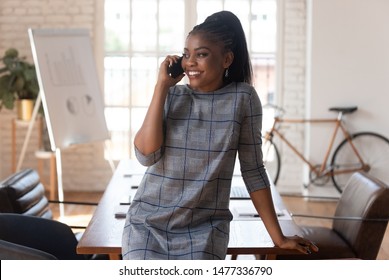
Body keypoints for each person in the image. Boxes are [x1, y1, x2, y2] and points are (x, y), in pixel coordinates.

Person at [122, 10, 318, 260]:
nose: (190, 62)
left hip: (205, 229)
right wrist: (161, 87)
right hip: (147, 223)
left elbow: (253, 171)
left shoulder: (243, 99)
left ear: (227, 59)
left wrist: (278, 238)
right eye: (186, 54)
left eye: (201, 54)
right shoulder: (173, 96)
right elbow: (146, 156)